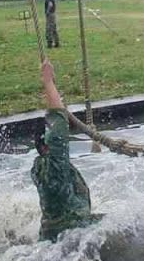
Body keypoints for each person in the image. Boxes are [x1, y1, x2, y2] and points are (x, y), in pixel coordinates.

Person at [32, 60, 98, 242]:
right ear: (46, 146)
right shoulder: (55, 167)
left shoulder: (41, 165)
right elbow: (58, 125)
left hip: (58, 235)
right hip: (71, 238)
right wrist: (48, 82)